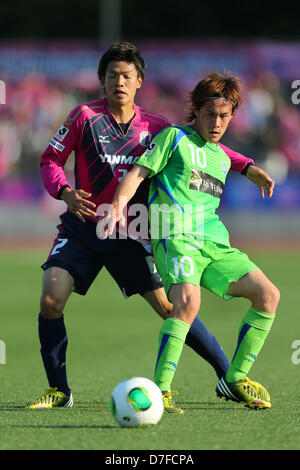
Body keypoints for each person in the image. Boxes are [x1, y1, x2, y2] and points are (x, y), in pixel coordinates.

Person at [26, 43, 259, 411]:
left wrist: (246, 165)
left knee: (174, 309)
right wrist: (65, 192)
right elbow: (50, 159)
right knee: (51, 297)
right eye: (112, 75)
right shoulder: (83, 116)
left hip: (134, 232)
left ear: (139, 82)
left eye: (126, 76)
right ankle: (59, 391)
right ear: (102, 80)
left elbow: (206, 144)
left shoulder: (158, 127)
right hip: (84, 229)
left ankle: (227, 376)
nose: (119, 82)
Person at [105, 71, 279, 413]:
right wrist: (116, 207)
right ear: (196, 110)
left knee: (268, 295)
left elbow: (229, 156)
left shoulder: (222, 156)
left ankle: (234, 378)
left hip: (215, 243)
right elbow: (138, 173)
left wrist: (250, 168)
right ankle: (161, 390)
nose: (216, 122)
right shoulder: (173, 138)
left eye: (224, 116)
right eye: (210, 114)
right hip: (175, 237)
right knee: (187, 302)